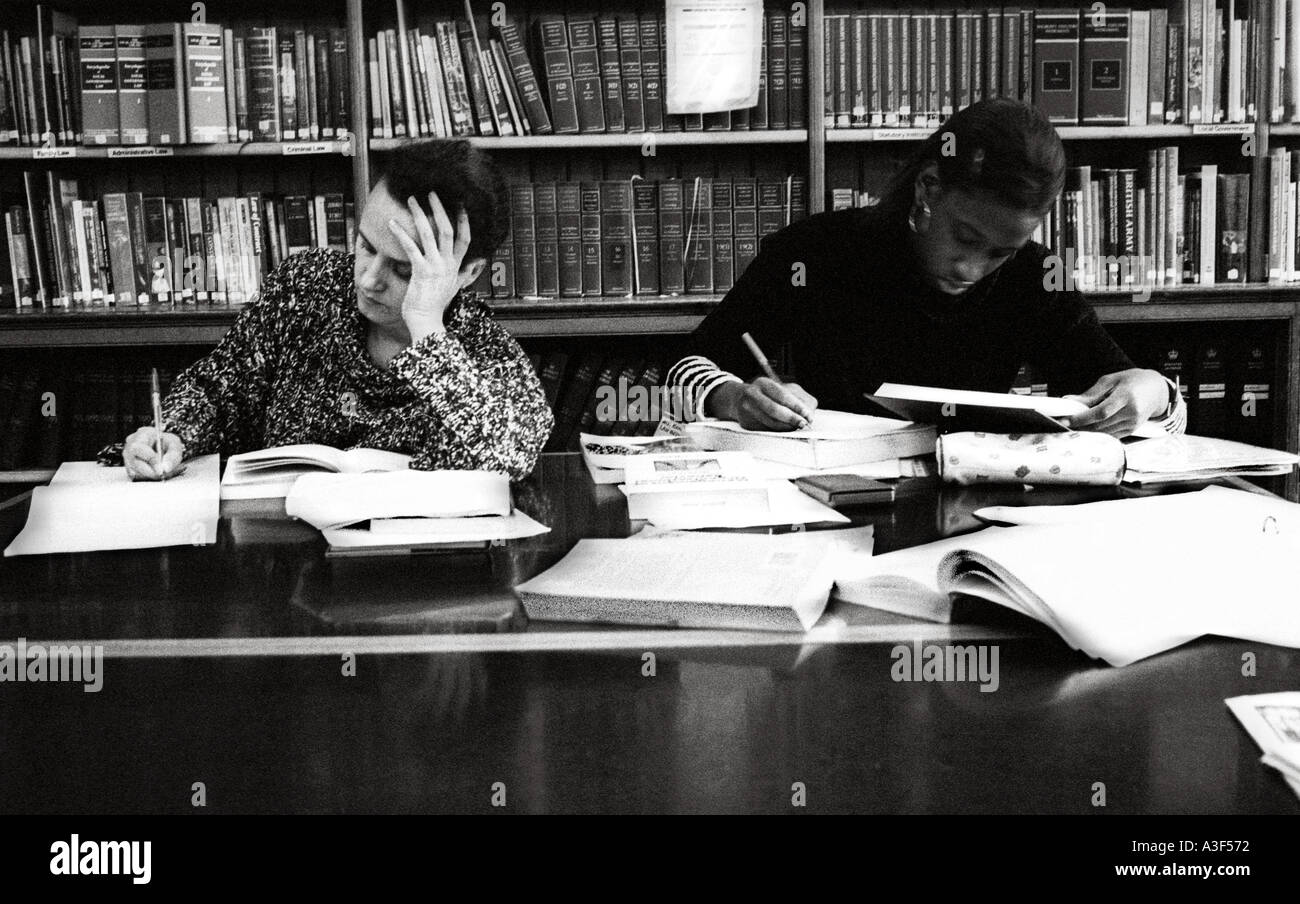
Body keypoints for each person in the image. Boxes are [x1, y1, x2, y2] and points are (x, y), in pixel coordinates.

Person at [667, 98, 1186, 438]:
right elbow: (681, 371)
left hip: (978, 513)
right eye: (965, 237)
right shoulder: (816, 251)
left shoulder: (1035, 275)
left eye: (1001, 253)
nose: (971, 268)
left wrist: (1156, 395)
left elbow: (1140, 400)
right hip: (832, 506)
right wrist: (731, 398)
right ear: (928, 188)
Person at [119, 139, 553, 482]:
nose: (367, 279)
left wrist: (425, 325)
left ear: (466, 272)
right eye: (365, 246)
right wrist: (170, 433)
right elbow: (219, 389)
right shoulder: (306, 288)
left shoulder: (484, 355)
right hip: (286, 558)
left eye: (404, 269)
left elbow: (508, 456)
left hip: (413, 571)